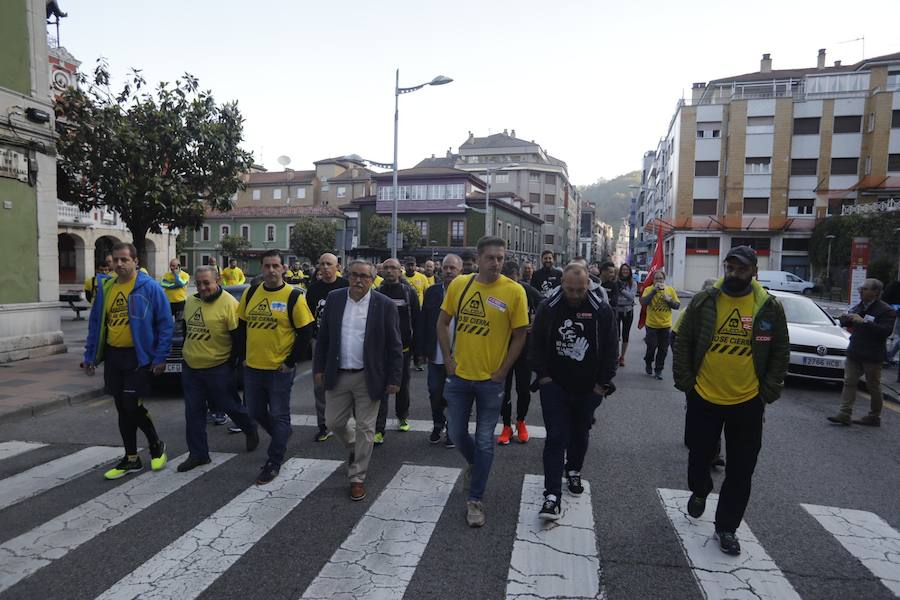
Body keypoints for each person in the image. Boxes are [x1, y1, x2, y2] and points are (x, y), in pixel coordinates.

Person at [673, 245, 789, 556]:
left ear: (754, 272)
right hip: (705, 396)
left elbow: (779, 350)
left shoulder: (768, 306)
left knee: (742, 469)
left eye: (741, 269)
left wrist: (770, 388)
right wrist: (686, 381)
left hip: (748, 401)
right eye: (730, 267)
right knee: (699, 454)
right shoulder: (705, 300)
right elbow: (684, 339)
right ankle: (699, 490)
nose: (734, 274)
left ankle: (727, 527)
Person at [437, 236, 529, 527]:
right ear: (477, 259)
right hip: (459, 376)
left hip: (492, 381)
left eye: (500, 258)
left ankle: (475, 499)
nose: (496, 263)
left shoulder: (514, 291)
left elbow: (521, 334)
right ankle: (476, 467)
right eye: (490, 258)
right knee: (455, 431)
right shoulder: (460, 284)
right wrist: (448, 361)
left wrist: (503, 371)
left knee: (486, 440)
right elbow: (442, 322)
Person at [529, 264, 617, 520]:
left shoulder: (601, 309)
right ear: (562, 284)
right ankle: (552, 495)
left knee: (580, 433)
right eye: (570, 289)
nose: (576, 295)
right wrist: (543, 377)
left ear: (588, 284)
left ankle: (575, 470)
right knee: (556, 437)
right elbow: (535, 344)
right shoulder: (549, 306)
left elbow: (611, 348)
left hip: (588, 387)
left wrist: (602, 385)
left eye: (580, 289)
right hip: (554, 385)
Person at [314, 260, 403, 501]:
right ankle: (354, 446)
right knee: (333, 422)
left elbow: (395, 345)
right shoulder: (335, 298)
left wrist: (395, 377)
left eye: (364, 276)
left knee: (366, 428)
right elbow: (323, 338)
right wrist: (318, 368)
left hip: (369, 376)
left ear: (373, 280)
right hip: (338, 373)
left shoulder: (383, 305)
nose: (358, 280)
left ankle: (357, 477)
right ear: (347, 275)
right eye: (354, 275)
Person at [82, 242, 172, 480]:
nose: (119, 264)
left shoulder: (150, 287)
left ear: (135, 262)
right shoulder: (107, 287)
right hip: (114, 355)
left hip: (138, 356)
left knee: (131, 404)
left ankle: (155, 444)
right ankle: (131, 458)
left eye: (124, 259)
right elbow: (96, 324)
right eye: (116, 260)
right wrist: (90, 355)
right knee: (122, 408)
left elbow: (165, 324)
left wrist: (160, 357)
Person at [237, 250, 314, 484]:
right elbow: (241, 327)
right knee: (255, 412)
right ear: (261, 267)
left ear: (283, 268)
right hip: (252, 367)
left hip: (279, 370)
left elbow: (305, 332)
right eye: (267, 266)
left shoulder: (294, 296)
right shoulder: (251, 293)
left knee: (280, 414)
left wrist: (290, 362)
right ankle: (282, 434)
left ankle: (274, 461)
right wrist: (241, 356)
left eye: (275, 266)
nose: (271, 270)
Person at [178, 266, 259, 471]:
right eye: (200, 283)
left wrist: (231, 367)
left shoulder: (230, 305)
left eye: (207, 282)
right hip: (191, 368)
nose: (203, 287)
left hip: (218, 368)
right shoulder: (190, 302)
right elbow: (186, 329)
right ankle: (198, 454)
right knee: (193, 413)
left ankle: (249, 427)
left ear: (218, 281)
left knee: (230, 406)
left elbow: (238, 339)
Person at [828, 278, 896, 427]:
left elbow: (885, 331)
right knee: (849, 382)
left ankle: (874, 416)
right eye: (861, 288)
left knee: (873, 386)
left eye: (865, 289)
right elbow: (850, 323)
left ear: (876, 292)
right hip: (855, 351)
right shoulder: (859, 306)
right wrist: (845, 319)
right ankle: (844, 414)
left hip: (872, 355)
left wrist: (864, 322)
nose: (860, 291)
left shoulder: (886, 310)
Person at [417, 254, 462, 448]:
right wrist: (420, 350)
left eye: (453, 268)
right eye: (446, 268)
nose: (449, 271)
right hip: (435, 355)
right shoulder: (432, 292)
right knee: (435, 391)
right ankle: (438, 424)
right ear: (440, 269)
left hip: (460, 356)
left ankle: (453, 429)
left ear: (460, 271)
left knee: (455, 395)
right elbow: (424, 322)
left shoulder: (468, 292)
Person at [374, 258, 421, 444]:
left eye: (392, 268)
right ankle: (379, 429)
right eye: (385, 268)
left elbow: (417, 320)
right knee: (381, 389)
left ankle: (402, 416)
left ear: (399, 271)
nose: (389, 271)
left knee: (401, 386)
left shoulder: (409, 292)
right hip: (381, 349)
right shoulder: (377, 292)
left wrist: (418, 350)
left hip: (403, 348)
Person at [304, 253, 349, 442]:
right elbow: (307, 317)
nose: (325, 267)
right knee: (319, 384)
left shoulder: (346, 286)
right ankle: (323, 424)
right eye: (321, 264)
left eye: (329, 264)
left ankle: (345, 421)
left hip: (344, 340)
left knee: (346, 382)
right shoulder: (313, 289)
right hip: (320, 342)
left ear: (337, 266)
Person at [497, 261, 543, 445]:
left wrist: (535, 321)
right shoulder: (496, 290)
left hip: (524, 346)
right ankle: (506, 425)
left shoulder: (526, 289)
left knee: (523, 388)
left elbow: (545, 304)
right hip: (502, 346)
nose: (510, 286)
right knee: (504, 389)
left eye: (513, 281)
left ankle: (521, 422)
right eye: (506, 281)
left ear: (518, 278)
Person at [640, 270, 679, 379]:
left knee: (663, 349)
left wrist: (669, 301)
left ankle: (658, 370)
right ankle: (648, 362)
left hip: (665, 326)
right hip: (652, 325)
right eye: (656, 278)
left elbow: (677, 306)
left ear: (664, 280)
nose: (659, 281)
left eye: (660, 278)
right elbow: (643, 302)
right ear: (653, 280)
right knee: (651, 347)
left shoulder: (670, 290)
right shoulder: (648, 289)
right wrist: (653, 292)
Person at [616, 264, 638, 367]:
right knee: (615, 335)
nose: (625, 271)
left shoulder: (632, 283)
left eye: (627, 270)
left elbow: (631, 296)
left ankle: (622, 356)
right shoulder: (615, 281)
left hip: (628, 310)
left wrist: (621, 290)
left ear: (629, 271)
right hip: (616, 310)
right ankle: (615, 355)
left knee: (625, 334)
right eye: (623, 269)